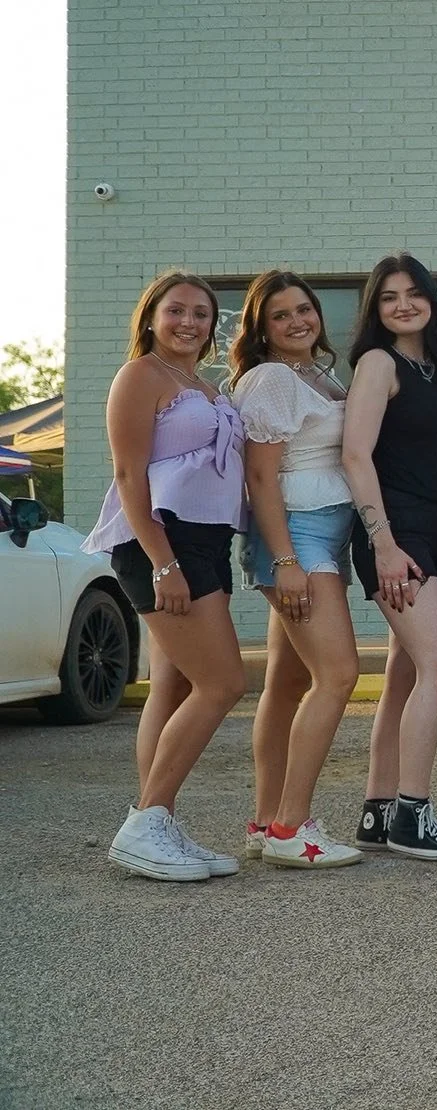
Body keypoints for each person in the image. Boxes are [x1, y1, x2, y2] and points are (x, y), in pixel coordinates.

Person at [86, 272, 248, 882]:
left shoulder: (202, 384)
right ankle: (145, 821)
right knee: (225, 682)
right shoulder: (140, 376)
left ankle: (159, 822)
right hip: (160, 542)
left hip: (205, 541)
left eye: (202, 314)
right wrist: (164, 562)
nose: (190, 322)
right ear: (151, 316)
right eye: (177, 310)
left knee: (175, 686)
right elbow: (130, 477)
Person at [342, 253, 437, 861]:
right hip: (395, 539)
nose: (403, 304)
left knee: (404, 671)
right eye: (389, 296)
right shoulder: (379, 363)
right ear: (375, 308)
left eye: (413, 293)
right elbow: (355, 456)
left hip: (435, 535)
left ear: (430, 299)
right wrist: (384, 544)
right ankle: (413, 816)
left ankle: (378, 810)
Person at [228, 271, 363, 869]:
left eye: (304, 309)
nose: (297, 321)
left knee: (286, 683)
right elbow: (261, 477)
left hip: (324, 534)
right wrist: (284, 561)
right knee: (338, 674)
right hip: (298, 538)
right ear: (262, 328)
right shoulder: (272, 378)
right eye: (280, 315)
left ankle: (264, 821)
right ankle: (292, 827)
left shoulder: (319, 376)